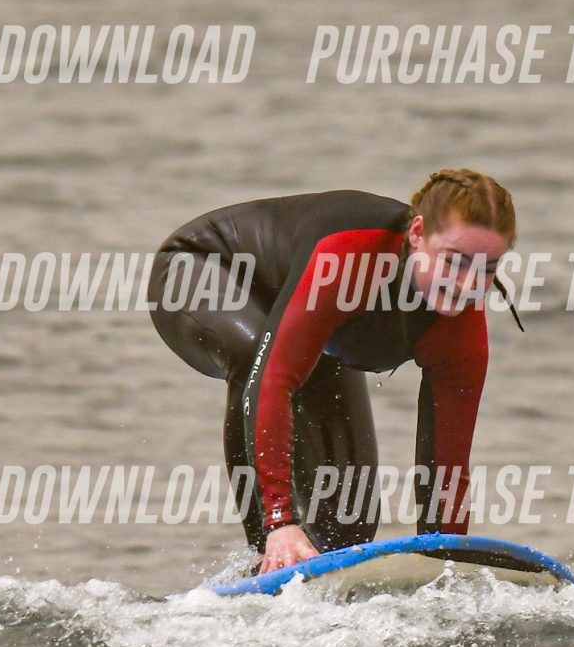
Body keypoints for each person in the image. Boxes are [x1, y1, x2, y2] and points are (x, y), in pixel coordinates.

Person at [150, 170, 516, 576]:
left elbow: (447, 463)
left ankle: (283, 578)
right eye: (454, 261)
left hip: (305, 326)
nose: (468, 284)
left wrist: (445, 567)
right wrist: (279, 523)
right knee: (258, 355)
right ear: (417, 233)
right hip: (199, 270)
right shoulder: (348, 257)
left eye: (487, 268)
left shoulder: (462, 331)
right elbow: (273, 381)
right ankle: (264, 553)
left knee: (347, 527)